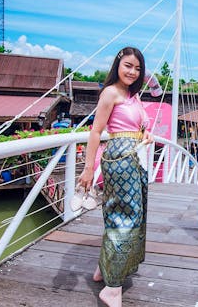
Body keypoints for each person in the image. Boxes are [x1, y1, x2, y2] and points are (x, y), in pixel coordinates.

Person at [78, 46, 154, 307]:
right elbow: (96, 132)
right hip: (120, 160)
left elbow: (139, 125)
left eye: (137, 68)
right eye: (128, 66)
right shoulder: (110, 93)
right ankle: (112, 287)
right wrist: (88, 167)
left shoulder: (133, 95)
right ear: (118, 66)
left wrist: (145, 134)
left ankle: (106, 269)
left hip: (136, 156)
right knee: (124, 216)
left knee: (129, 214)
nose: (133, 71)